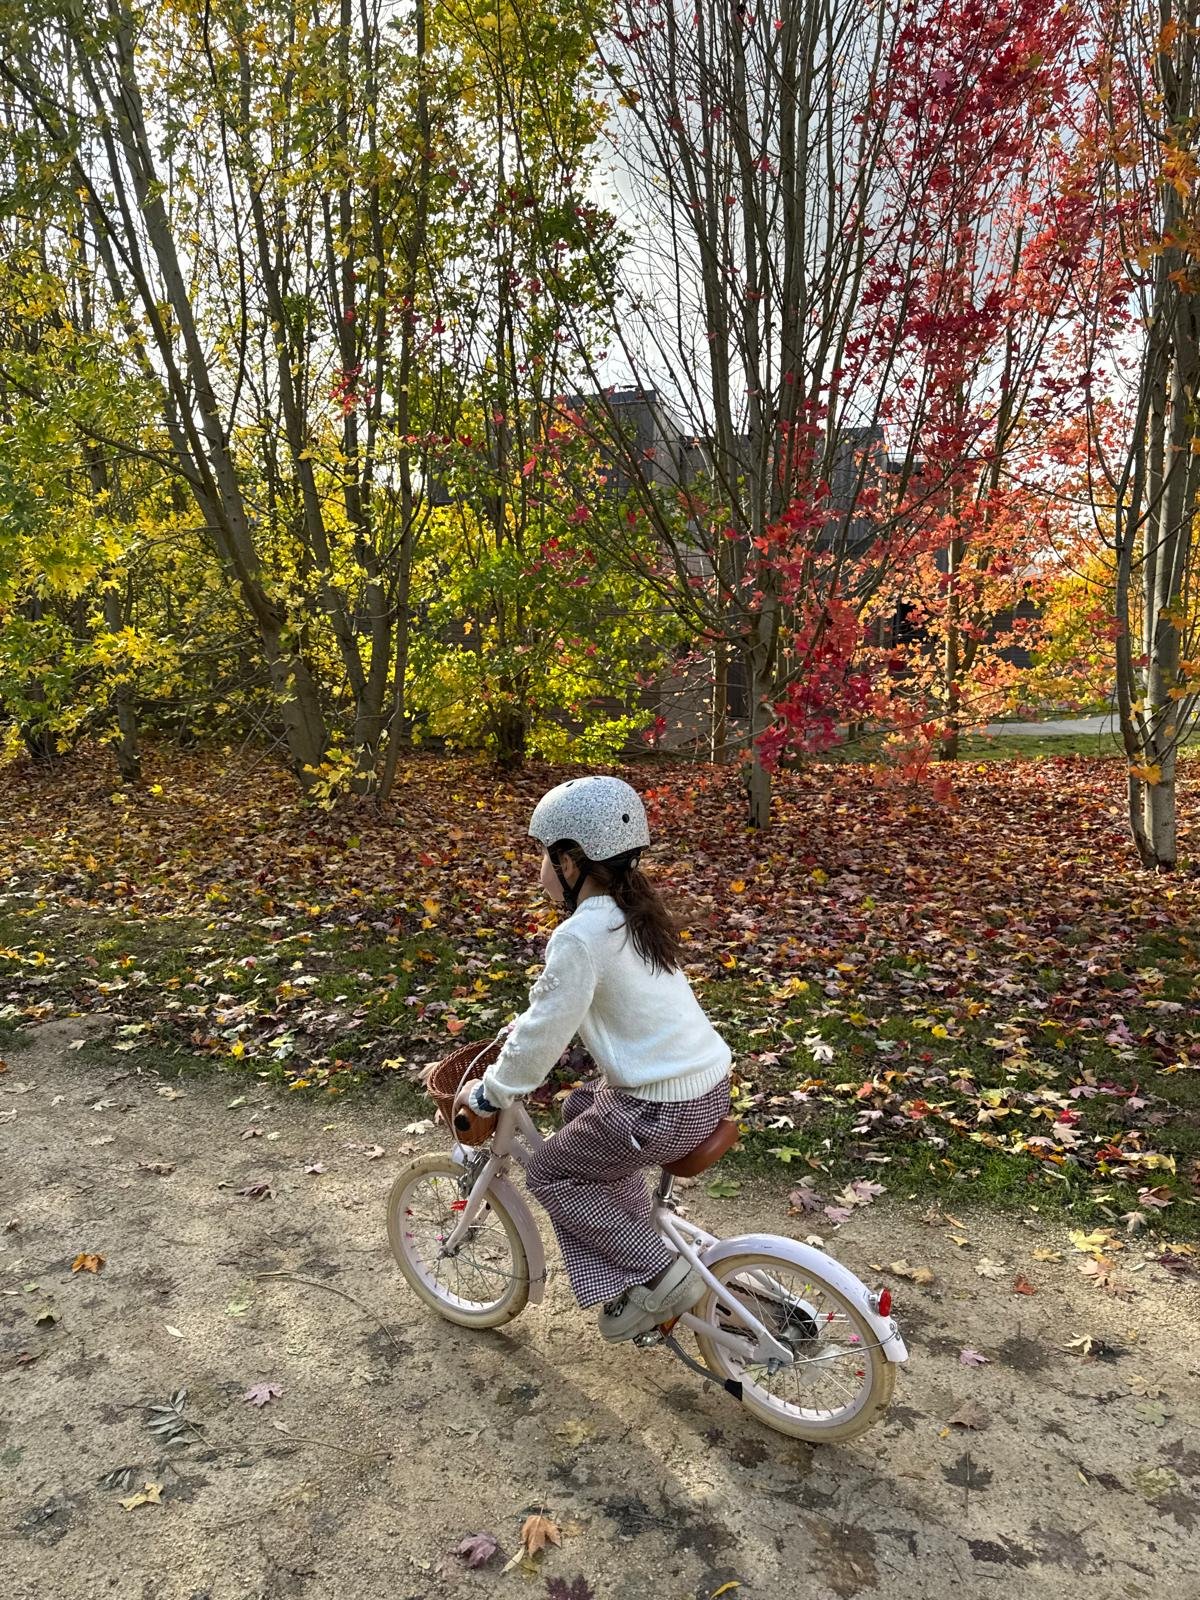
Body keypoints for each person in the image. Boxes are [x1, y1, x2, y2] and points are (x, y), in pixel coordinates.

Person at [461, 775, 732, 1342]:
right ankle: (637, 1232)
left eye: (542, 855)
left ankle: (658, 1273)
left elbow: (541, 1039)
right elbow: (563, 1011)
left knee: (550, 1170)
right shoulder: (634, 914)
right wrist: (531, 1025)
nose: (538, 869)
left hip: (659, 1110)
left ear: (570, 859)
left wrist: (493, 1091)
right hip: (704, 1091)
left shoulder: (581, 934)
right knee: (582, 1107)